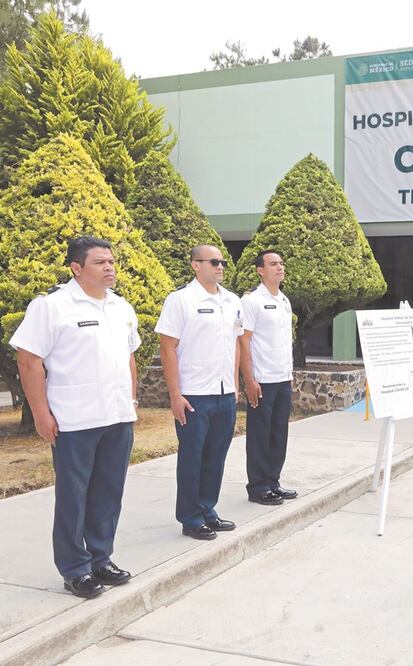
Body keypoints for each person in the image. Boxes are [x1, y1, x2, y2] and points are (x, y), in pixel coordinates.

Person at [11, 237, 140, 598]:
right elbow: (29, 359)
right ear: (76, 268)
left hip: (116, 417)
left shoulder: (120, 307)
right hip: (74, 420)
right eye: (100, 262)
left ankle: (101, 558)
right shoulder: (52, 307)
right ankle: (74, 568)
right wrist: (40, 413)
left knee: (109, 493)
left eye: (112, 261)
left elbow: (129, 356)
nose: (110, 268)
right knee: (74, 496)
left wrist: (130, 400)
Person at [156, 245, 242, 540]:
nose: (220, 266)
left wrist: (235, 385)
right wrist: (175, 394)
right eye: (213, 262)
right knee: (192, 457)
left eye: (222, 262)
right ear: (195, 265)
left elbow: (235, 345)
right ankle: (191, 517)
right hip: (194, 394)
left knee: (216, 455)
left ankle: (208, 509)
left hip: (224, 393)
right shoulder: (181, 300)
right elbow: (167, 348)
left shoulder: (232, 300)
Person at [239, 250, 297, 505]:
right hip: (262, 379)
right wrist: (249, 380)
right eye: (273, 264)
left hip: (282, 377)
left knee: (278, 433)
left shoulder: (284, 300)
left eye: (281, 263)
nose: (279, 267)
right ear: (260, 270)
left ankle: (273, 481)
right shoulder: (252, 301)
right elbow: (244, 341)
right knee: (260, 434)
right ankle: (258, 486)